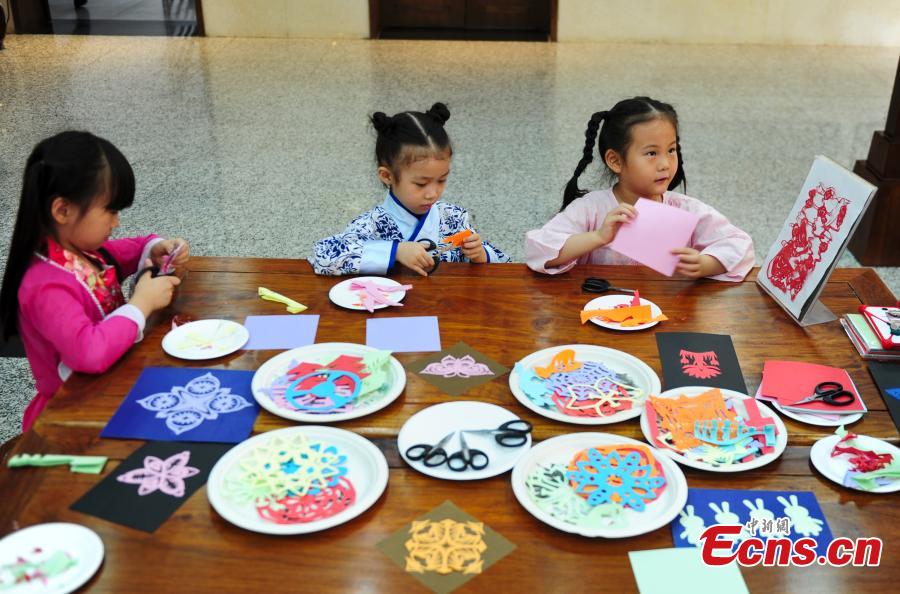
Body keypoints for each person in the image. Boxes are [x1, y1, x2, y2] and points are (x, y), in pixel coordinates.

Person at [0, 131, 188, 431]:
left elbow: (133, 248)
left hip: (108, 392)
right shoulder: (44, 286)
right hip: (71, 419)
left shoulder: (81, 252)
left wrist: (156, 247)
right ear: (63, 210)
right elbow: (88, 352)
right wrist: (141, 304)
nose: (116, 222)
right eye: (110, 210)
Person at [525, 96, 754, 280]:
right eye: (652, 153)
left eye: (671, 150)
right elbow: (539, 250)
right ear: (615, 161)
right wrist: (598, 236)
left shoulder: (685, 209)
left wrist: (705, 264)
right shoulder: (591, 209)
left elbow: (739, 245)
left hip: (665, 313)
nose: (665, 164)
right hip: (598, 310)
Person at [311, 102, 509, 276]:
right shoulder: (371, 225)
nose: (433, 193)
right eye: (421, 184)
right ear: (387, 176)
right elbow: (323, 257)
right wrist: (395, 251)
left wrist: (480, 255)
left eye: (441, 180)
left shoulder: (453, 217)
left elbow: (504, 264)